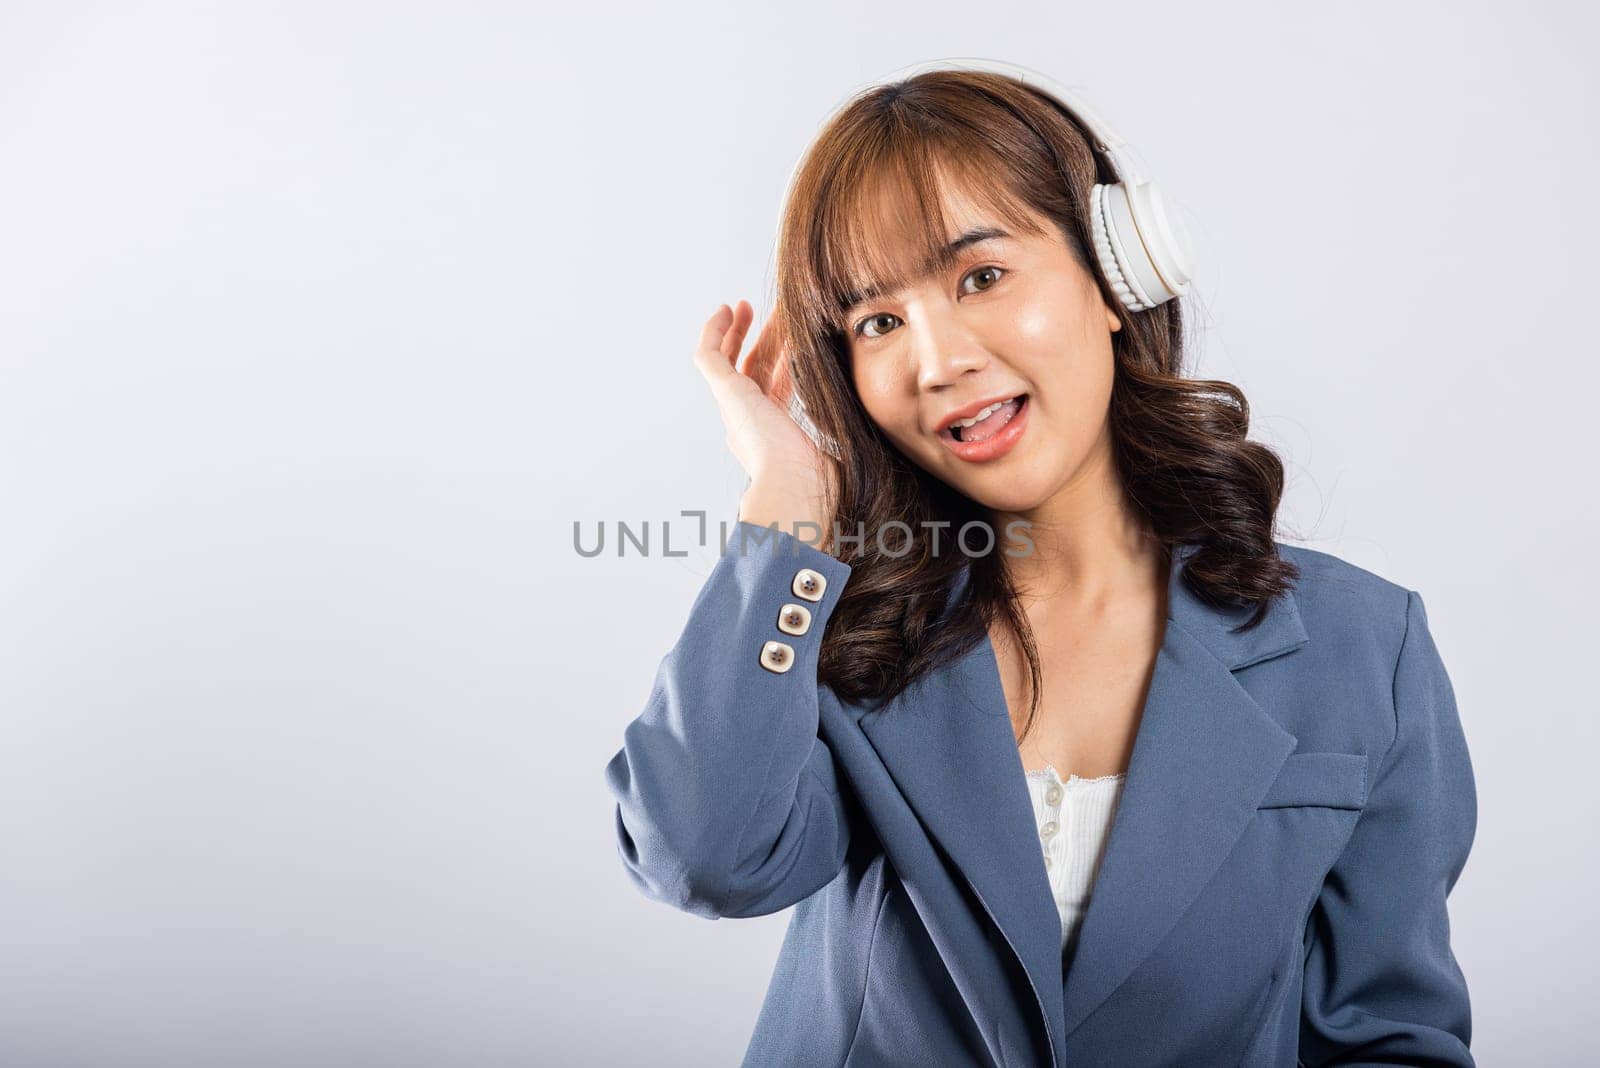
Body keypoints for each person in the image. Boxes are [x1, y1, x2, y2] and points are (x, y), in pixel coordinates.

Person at [602, 58, 1477, 1067]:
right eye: (877, 321)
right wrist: (787, 513)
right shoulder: (835, 626)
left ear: (1117, 276)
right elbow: (704, 860)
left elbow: (1386, 1034)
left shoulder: (1362, 646)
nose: (937, 362)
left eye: (981, 275)